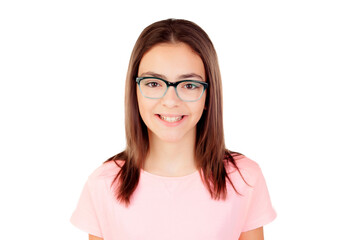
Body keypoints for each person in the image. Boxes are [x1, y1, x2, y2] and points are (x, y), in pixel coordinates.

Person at [70, 18, 276, 240]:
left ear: (208, 94)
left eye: (189, 85)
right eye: (153, 83)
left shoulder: (244, 179)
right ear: (135, 91)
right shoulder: (103, 183)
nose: (170, 101)